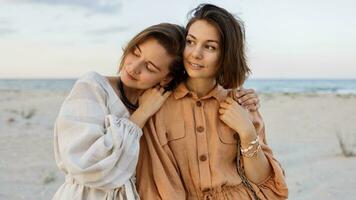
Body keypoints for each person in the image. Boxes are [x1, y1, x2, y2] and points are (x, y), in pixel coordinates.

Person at [136, 4, 288, 200]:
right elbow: (157, 183)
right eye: (190, 42)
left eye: (209, 47)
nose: (195, 54)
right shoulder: (156, 104)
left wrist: (247, 132)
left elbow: (261, 179)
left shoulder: (241, 103)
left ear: (226, 55)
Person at [52, 23, 186, 200]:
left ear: (167, 78)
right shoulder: (93, 87)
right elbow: (84, 166)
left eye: (150, 67)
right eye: (136, 52)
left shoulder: (163, 105)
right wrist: (141, 115)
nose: (133, 67)